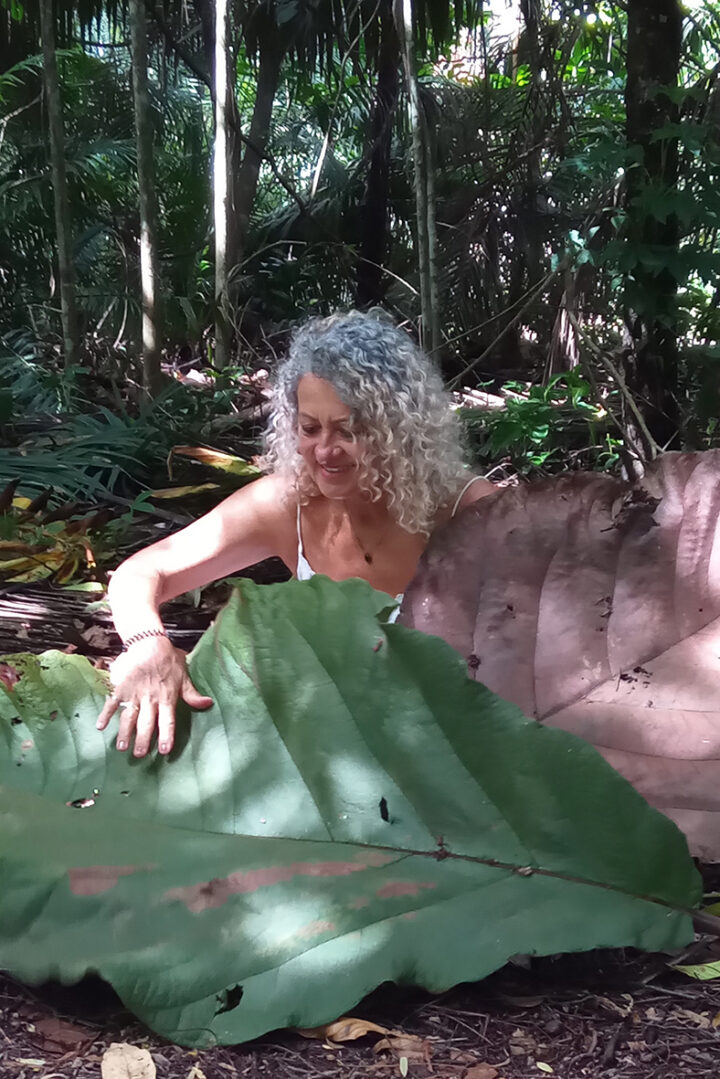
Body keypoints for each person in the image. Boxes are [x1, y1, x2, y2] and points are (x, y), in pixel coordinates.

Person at [97, 310, 494, 757]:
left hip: (457, 755)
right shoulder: (289, 503)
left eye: (349, 430)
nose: (325, 450)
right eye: (310, 428)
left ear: (399, 432)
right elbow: (142, 571)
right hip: (328, 751)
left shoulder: (474, 512)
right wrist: (146, 645)